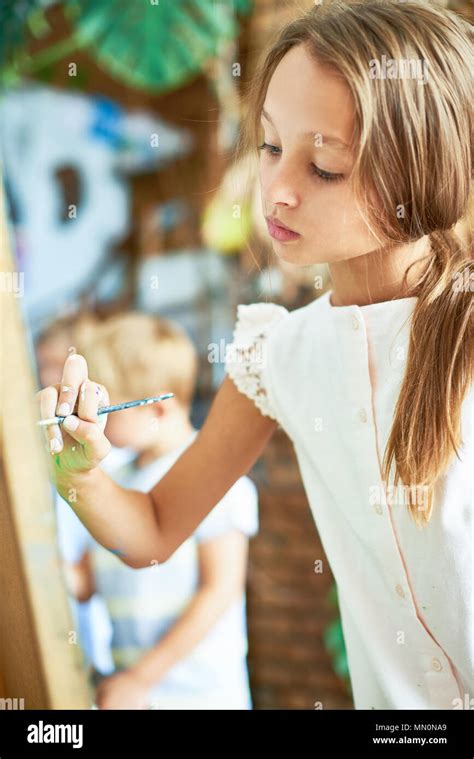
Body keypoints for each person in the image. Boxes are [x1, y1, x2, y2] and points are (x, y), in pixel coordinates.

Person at [38, 0, 473, 709]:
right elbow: (151, 530)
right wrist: (82, 473)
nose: (279, 188)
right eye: (270, 146)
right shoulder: (274, 355)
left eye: (325, 164)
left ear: (419, 170)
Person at [53, 312, 259, 709]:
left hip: (200, 698)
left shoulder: (218, 480)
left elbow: (220, 590)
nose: (88, 418)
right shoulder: (110, 480)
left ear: (156, 410)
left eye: (103, 408)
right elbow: (86, 579)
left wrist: (139, 679)